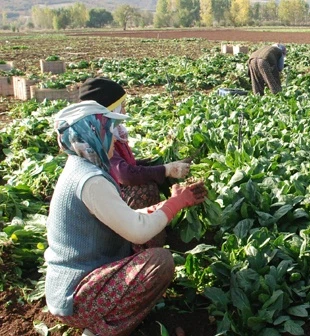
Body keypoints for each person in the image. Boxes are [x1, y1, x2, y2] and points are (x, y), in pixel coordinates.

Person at [44, 101, 208, 336]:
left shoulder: (80, 168)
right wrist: (175, 203)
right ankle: (100, 330)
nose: (116, 139)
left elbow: (127, 218)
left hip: (81, 280)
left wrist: (172, 202)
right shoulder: (91, 181)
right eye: (109, 132)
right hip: (75, 297)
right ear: (93, 134)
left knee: (148, 242)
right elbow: (137, 231)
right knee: (159, 262)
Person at [79, 77, 191, 210]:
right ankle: (139, 225)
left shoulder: (110, 133)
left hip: (107, 191)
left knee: (153, 176)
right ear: (110, 110)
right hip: (105, 199)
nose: (124, 112)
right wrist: (166, 169)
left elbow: (127, 164)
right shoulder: (100, 139)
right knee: (145, 190)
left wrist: (157, 164)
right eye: (122, 107)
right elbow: (124, 175)